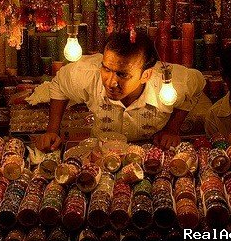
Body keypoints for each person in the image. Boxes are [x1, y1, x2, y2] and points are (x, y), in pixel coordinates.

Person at [36, 31, 210, 151]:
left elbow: (198, 84)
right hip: (102, 154)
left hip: (152, 153)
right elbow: (58, 85)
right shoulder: (86, 74)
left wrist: (173, 129)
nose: (111, 82)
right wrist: (52, 130)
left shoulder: (172, 81)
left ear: (146, 75)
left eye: (122, 74)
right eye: (106, 69)